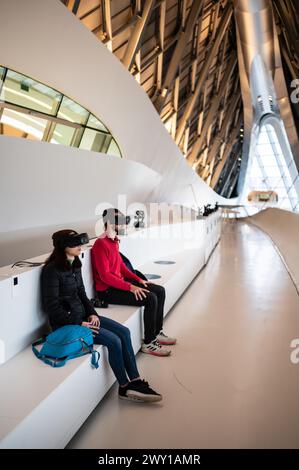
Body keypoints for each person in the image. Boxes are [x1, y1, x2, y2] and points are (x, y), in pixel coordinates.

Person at [41, 229, 162, 403]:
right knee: (113, 340)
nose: (80, 247)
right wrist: (79, 322)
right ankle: (124, 387)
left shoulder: (75, 263)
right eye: (76, 244)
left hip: (83, 317)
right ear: (63, 246)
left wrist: (92, 313)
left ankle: (135, 381)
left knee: (124, 332)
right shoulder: (51, 271)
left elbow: (82, 293)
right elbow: (51, 307)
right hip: (67, 323)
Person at [91, 208, 177, 357]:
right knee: (150, 298)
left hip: (119, 284)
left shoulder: (114, 241)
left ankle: (157, 333)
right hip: (107, 291)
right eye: (120, 222)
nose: (124, 225)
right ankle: (149, 343)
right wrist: (131, 287)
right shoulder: (100, 244)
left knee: (159, 290)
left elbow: (121, 266)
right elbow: (105, 277)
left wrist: (138, 279)